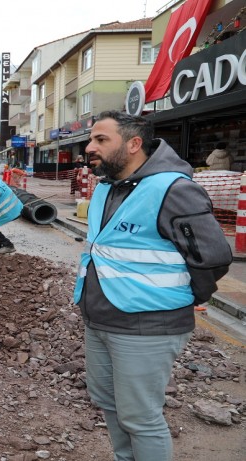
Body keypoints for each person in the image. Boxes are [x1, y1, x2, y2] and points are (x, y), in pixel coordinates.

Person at [75, 110, 232, 461]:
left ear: (133, 144)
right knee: (110, 405)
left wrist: (180, 298)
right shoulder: (106, 188)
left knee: (141, 418)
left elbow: (213, 258)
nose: (89, 147)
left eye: (101, 140)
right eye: (92, 139)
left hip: (147, 325)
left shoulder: (173, 189)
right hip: (100, 319)